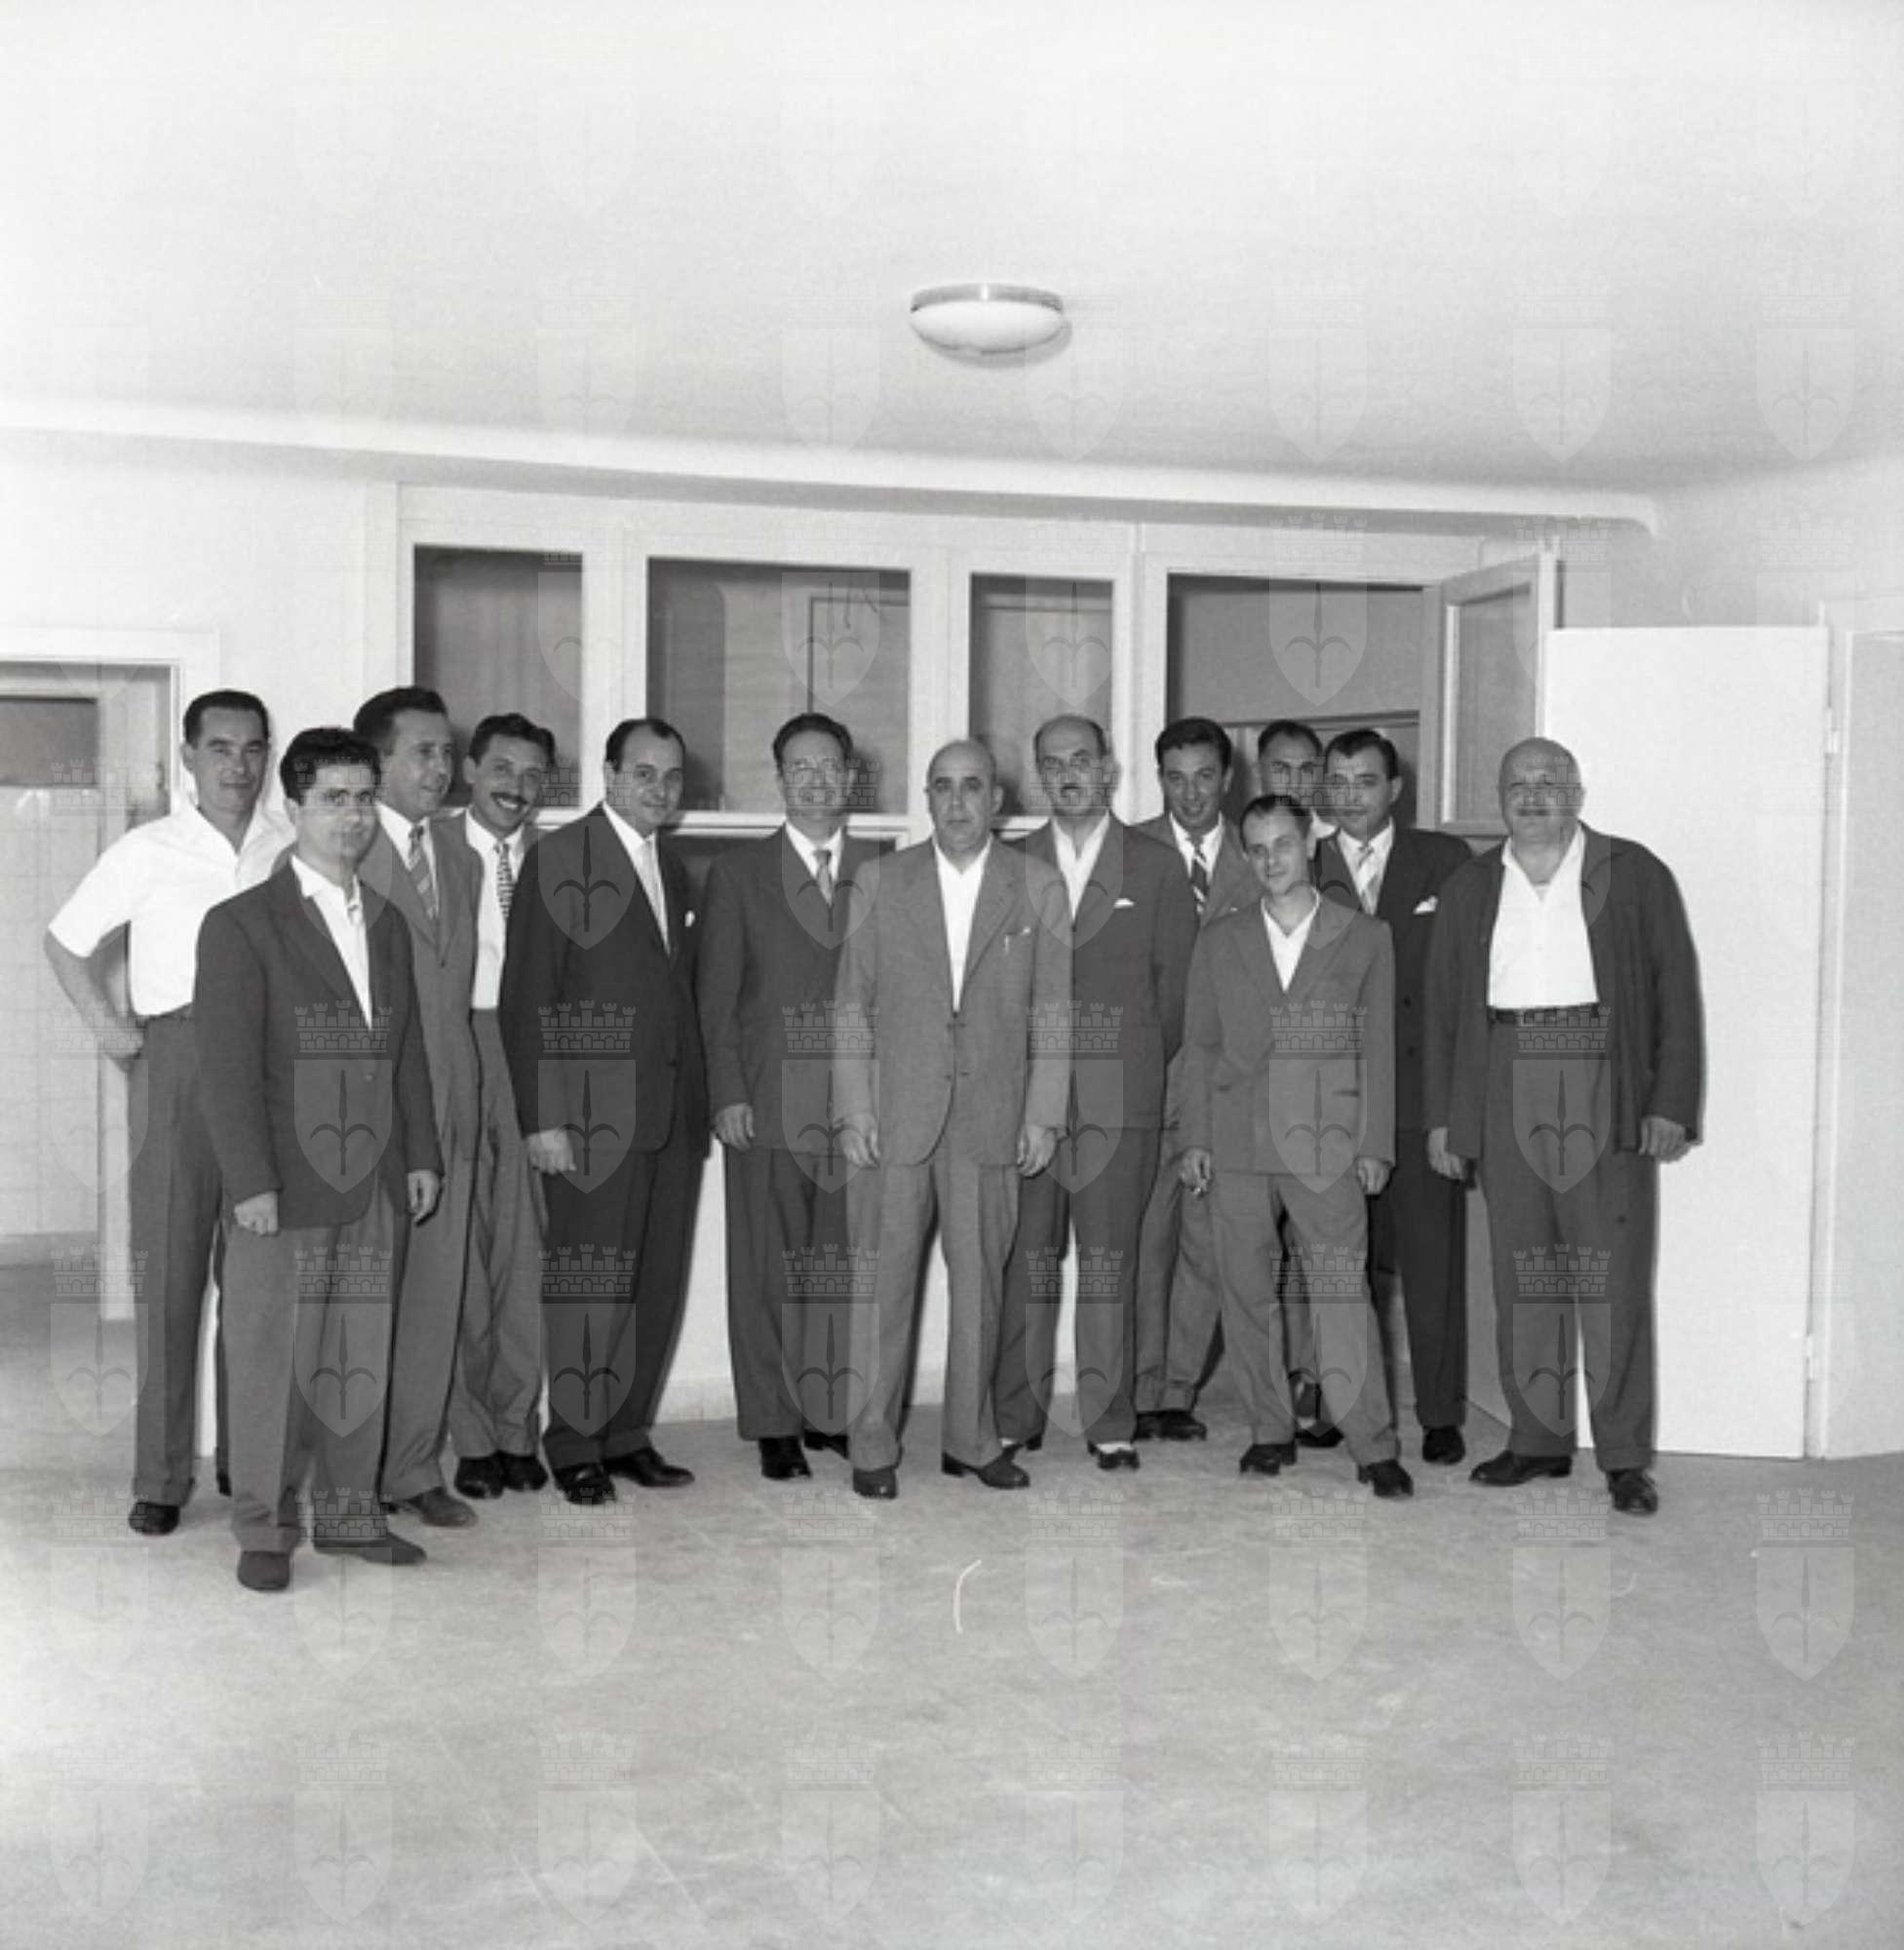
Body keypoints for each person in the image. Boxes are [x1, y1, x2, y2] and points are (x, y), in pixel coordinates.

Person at [1424, 738, 1702, 1516]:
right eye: (1517, 783)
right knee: (1525, 1274)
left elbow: (1674, 991)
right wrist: (1445, 1120)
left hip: (1599, 1070)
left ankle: (1622, 1457)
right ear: (1499, 797)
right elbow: (1443, 1009)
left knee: (1609, 1277)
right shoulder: (1470, 885)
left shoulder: (1633, 872)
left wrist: (1668, 1102)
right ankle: (1537, 1441)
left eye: (1548, 781)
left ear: (1576, 793)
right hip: (1504, 1070)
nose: (1532, 794)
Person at [193, 726, 441, 1591]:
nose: (353, 816)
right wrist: (250, 1184)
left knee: (356, 1351)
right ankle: (263, 1528)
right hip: (284, 1185)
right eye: (334, 798)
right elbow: (225, 1070)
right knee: (271, 1360)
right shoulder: (240, 925)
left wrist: (420, 1154)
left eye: (364, 798)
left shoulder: (387, 923)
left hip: (373, 1176)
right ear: (292, 806)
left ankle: (348, 1514)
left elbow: (405, 1052)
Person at [44, 688, 292, 1537]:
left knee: (256, 1278)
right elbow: (64, 940)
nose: (238, 766)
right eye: (220, 747)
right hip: (178, 1062)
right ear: (188, 757)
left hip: (268, 1069)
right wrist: (114, 1032)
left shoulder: (286, 847)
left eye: (253, 748)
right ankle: (158, 1475)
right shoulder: (147, 850)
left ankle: (246, 1461)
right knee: (170, 1275)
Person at [833, 739, 1069, 1499]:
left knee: (980, 1292)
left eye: (972, 786)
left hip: (990, 1119)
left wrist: (1043, 1115)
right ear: (926, 798)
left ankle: (970, 1439)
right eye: (943, 786)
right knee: (881, 1292)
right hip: (896, 1117)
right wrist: (854, 1107)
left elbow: (1053, 1011)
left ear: (995, 799)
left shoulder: (1037, 885)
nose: (958, 801)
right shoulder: (881, 880)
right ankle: (870, 1444)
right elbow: (850, 1004)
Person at [498, 717, 708, 1506]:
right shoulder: (560, 858)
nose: (660, 789)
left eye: (672, 776)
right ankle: (575, 1443)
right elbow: (528, 996)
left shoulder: (671, 868)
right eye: (643, 773)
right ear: (610, 776)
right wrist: (541, 1119)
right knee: (590, 1284)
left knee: (654, 1283)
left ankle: (626, 1434)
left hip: (669, 1116)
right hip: (588, 1122)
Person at [1179, 795, 1413, 1499]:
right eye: (1256, 848)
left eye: (1282, 843)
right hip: (1237, 1138)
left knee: (1342, 1291)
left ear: (1311, 843)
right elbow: (1200, 1046)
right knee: (1247, 1292)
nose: (1270, 859)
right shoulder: (1220, 939)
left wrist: (1375, 1144)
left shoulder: (1364, 936)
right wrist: (1195, 1137)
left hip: (1326, 1140)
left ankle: (1372, 1442)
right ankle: (1268, 1430)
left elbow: (1377, 1047)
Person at [992, 716, 1195, 1469]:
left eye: (1081, 759)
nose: (1068, 774)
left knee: (1111, 1263)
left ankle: (1109, 1421)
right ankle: (1015, 1416)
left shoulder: (1155, 865)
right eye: (1051, 764)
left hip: (1120, 1097)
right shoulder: (1010, 863)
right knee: (1028, 1261)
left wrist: (1125, 1064)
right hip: (1028, 1102)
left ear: (1107, 769)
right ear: (1038, 776)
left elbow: (1174, 995)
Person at [696, 712, 874, 1480]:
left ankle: (829, 1412)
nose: (815, 780)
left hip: (856, 1108)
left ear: (851, 777)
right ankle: (772, 1421)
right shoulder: (738, 875)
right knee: (766, 1273)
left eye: (829, 765)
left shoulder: (884, 871)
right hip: (766, 1104)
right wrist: (727, 1092)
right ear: (778, 780)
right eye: (799, 767)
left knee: (839, 1270)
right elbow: (715, 998)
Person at [1316, 728, 1473, 1464]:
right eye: (1338, 781)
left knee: (1431, 1262)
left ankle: (1439, 1412)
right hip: (1331, 1100)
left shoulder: (1444, 860)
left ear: (1395, 789)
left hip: (1419, 1097)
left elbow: (1467, 988)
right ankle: (1340, 1405)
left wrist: (1454, 1111)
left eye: (1366, 781)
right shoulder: (1301, 861)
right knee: (1339, 1264)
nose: (1351, 796)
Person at [352, 686, 482, 1530]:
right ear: (377, 762)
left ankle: (411, 1468)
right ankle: (349, 1474)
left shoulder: (459, 858)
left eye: (446, 752)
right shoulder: (338, 853)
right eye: (423, 752)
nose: (441, 767)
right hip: (373, 1114)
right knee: (363, 1306)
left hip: (453, 1102)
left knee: (436, 1298)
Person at [437, 712, 556, 1499]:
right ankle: (471, 1437)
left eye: (533, 773)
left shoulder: (557, 859)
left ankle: (517, 1430)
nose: (517, 786)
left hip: (530, 1054)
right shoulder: (429, 848)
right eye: (503, 768)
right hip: (454, 1044)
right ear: (470, 771)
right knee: (458, 1252)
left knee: (523, 1250)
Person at [1130, 719, 1255, 1441]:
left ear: (1227, 778)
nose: (1191, 794)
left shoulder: (1260, 852)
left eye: (1204, 776)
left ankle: (1177, 1390)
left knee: (1208, 1248)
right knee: (1147, 1245)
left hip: (1230, 1089)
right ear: (1159, 781)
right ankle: (1142, 1387)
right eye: (1175, 778)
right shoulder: (1129, 853)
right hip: (1151, 1084)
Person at [1256, 717, 1339, 1435]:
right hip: (1250, 1103)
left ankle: (1319, 1378)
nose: (1294, 782)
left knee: (1328, 1259)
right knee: (1260, 1259)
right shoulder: (1253, 856)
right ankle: (1274, 1384)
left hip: (1329, 1105)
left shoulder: (1332, 859)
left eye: (1307, 769)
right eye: (1279, 769)